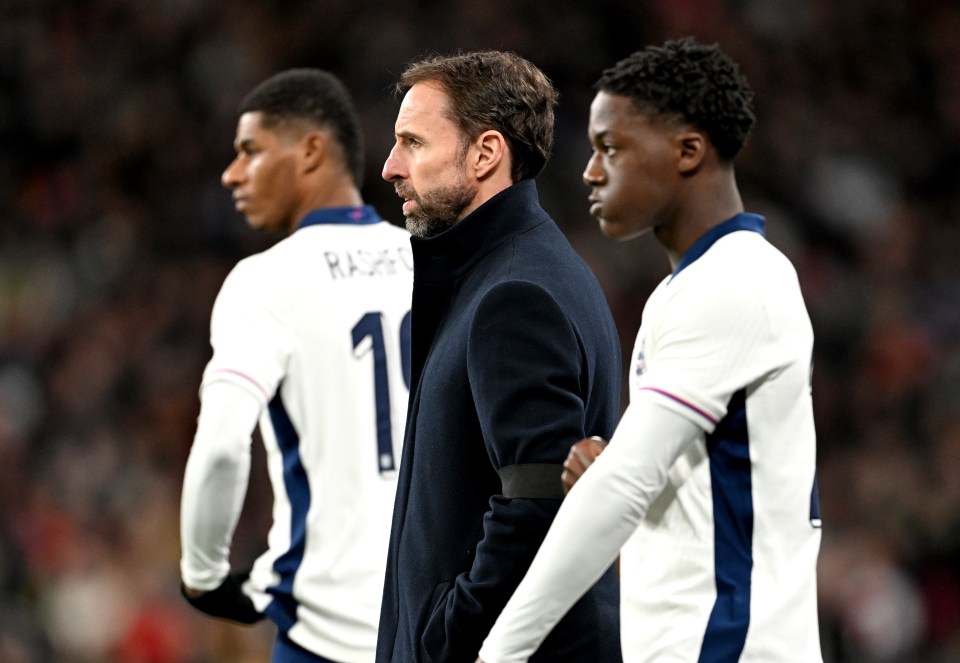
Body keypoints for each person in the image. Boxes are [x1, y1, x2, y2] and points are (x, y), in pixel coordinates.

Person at [478, 37, 823, 662]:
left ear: (688, 150)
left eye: (611, 147)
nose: (590, 170)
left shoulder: (732, 282)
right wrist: (623, 470)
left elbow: (623, 489)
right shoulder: (693, 286)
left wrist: (501, 650)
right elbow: (672, 481)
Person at [376, 51, 623, 662]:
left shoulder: (515, 294)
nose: (390, 168)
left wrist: (445, 639)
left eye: (413, 142)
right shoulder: (520, 271)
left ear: (485, 153)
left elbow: (540, 499)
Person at [179, 68, 414, 663]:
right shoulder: (431, 261)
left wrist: (203, 574)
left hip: (326, 633)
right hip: (439, 621)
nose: (232, 173)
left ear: (311, 150)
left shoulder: (265, 281)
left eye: (250, 151)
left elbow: (223, 447)